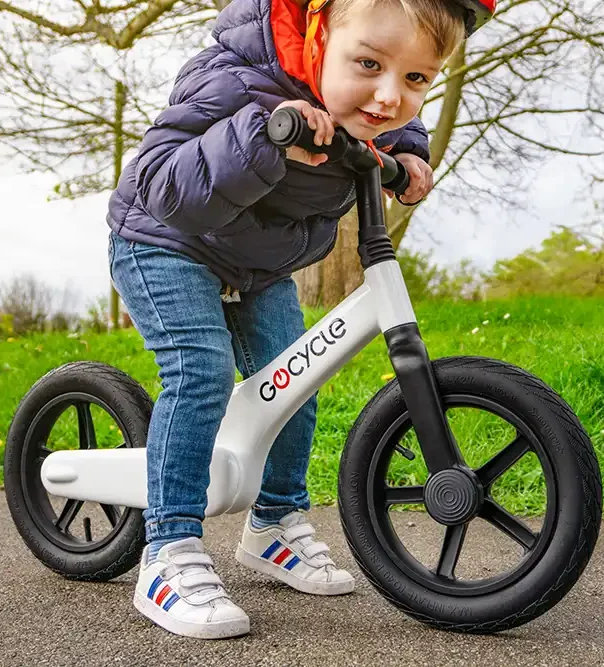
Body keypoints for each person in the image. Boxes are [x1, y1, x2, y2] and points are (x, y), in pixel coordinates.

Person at [106, 0, 493, 640]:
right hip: (166, 242)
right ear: (317, 34)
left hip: (258, 263)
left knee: (296, 379)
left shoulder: (373, 114)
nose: (389, 96)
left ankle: (274, 524)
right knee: (200, 372)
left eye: (418, 79)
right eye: (368, 63)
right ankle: (168, 551)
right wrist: (262, 135)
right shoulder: (235, 78)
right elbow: (158, 184)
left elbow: (396, 130)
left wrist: (412, 155)